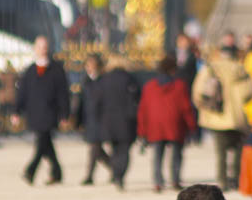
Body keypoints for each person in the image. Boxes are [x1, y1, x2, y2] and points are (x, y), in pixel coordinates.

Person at [192, 40, 252, 190]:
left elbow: (198, 92)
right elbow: (250, 92)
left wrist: (204, 106)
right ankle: (237, 179)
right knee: (238, 152)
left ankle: (222, 181)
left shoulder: (210, 69)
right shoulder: (241, 69)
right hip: (237, 118)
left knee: (221, 154)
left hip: (217, 117)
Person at [12, 35, 70, 185]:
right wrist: (17, 111)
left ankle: (30, 171)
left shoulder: (57, 70)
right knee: (46, 143)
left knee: (42, 141)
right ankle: (57, 172)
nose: (43, 50)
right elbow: (23, 93)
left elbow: (63, 94)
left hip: (50, 112)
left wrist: (64, 114)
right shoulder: (30, 70)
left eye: (45, 47)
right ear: (35, 49)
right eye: (40, 47)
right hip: (35, 112)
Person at [137, 53, 197, 192]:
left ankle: (158, 182)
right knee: (176, 153)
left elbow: (143, 109)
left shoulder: (150, 86)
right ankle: (175, 179)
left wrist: (142, 130)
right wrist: (192, 126)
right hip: (175, 124)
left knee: (157, 155)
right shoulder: (180, 86)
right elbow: (186, 108)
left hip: (155, 125)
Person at [94, 53, 139, 190]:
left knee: (114, 149)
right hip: (126, 120)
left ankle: (116, 173)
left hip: (108, 120)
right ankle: (119, 174)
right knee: (124, 150)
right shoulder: (130, 79)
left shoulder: (104, 79)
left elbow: (97, 101)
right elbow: (136, 99)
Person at [75, 53, 111, 185]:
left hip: (101, 118)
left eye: (92, 65)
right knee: (97, 149)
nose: (90, 67)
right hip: (89, 119)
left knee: (94, 148)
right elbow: (81, 102)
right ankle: (114, 167)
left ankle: (89, 175)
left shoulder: (104, 81)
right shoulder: (85, 81)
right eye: (88, 65)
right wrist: (78, 120)